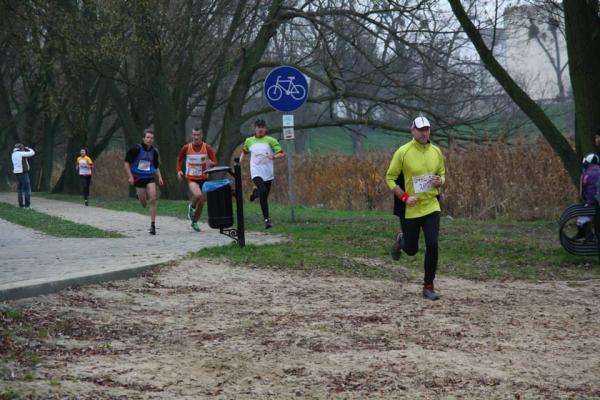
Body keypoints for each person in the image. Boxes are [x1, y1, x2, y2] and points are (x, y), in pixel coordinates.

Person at [386, 116, 446, 301]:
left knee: (432, 244)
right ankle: (402, 240)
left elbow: (442, 174)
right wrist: (405, 197)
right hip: (410, 208)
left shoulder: (436, 151)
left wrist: (440, 181)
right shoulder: (403, 152)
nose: (424, 133)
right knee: (411, 249)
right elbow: (390, 178)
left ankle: (428, 286)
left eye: (427, 129)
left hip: (431, 205)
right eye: (420, 129)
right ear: (412, 131)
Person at [240, 119, 286, 229]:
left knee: (264, 196)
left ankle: (256, 194)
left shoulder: (271, 140)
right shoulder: (249, 141)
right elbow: (244, 152)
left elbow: (282, 154)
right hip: (255, 170)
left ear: (265, 129)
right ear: (255, 128)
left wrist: (274, 157)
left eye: (262, 127)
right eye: (258, 127)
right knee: (264, 191)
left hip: (268, 172)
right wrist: (239, 162)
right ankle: (267, 219)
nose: (260, 129)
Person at [176, 127, 217, 232]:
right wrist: (179, 171)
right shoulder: (186, 147)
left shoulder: (207, 147)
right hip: (191, 178)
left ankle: (195, 222)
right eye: (194, 135)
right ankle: (192, 206)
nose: (196, 137)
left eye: (198, 135)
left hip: (204, 178)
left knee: (202, 202)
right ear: (192, 135)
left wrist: (210, 163)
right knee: (198, 195)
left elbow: (215, 162)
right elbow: (179, 159)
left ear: (202, 135)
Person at [124, 129, 164, 235]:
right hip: (138, 178)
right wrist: (130, 176)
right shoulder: (136, 149)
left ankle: (153, 225)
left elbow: (156, 166)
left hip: (149, 177)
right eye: (148, 137)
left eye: (152, 138)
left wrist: (160, 177)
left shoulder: (154, 152)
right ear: (144, 138)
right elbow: (126, 163)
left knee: (153, 199)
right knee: (144, 204)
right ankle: (139, 196)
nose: (150, 139)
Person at [574, 153, 600, 241]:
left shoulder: (588, 174)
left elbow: (590, 191)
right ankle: (587, 235)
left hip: (593, 202)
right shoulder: (597, 171)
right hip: (595, 201)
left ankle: (586, 235)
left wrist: (588, 201)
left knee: (583, 216)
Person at [11, 143, 35, 208]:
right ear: (20, 148)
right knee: (27, 189)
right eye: (22, 148)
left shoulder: (13, 154)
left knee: (19, 190)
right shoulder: (20, 153)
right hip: (23, 173)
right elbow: (32, 153)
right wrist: (28, 148)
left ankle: (20, 205)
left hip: (16, 173)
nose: (23, 149)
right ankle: (27, 206)